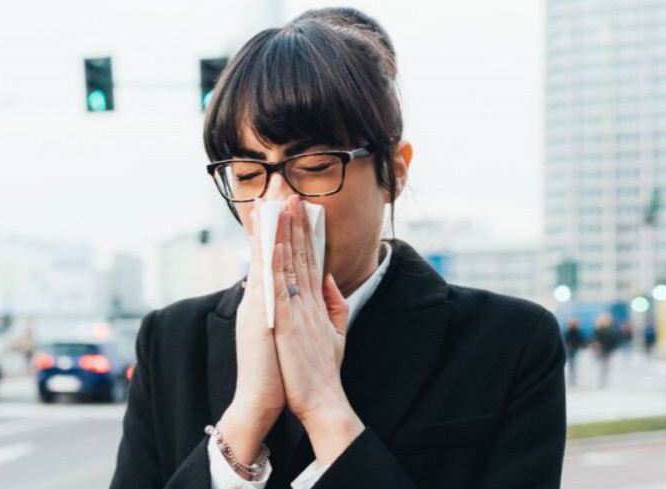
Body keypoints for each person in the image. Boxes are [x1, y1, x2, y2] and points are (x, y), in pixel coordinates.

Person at [110, 8, 566, 489]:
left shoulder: (507, 343)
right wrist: (246, 417)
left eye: (314, 165)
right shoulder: (172, 342)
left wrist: (325, 406)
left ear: (394, 170)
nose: (278, 203)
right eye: (247, 174)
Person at [591, 314, 619, 389]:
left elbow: (614, 339)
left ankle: (603, 379)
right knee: (602, 365)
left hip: (607, 349)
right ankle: (601, 379)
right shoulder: (598, 329)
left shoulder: (610, 329)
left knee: (604, 365)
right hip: (600, 349)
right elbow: (594, 339)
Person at [563, 317, 583, 387]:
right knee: (571, 364)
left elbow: (581, 340)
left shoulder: (577, 331)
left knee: (572, 364)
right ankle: (571, 378)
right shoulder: (568, 331)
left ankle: (572, 378)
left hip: (574, 349)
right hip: (570, 349)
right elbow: (565, 340)